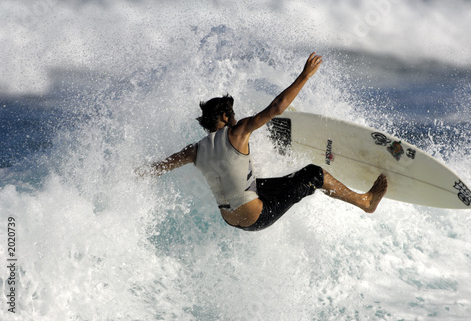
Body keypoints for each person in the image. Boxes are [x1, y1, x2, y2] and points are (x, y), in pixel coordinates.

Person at [137, 53, 388, 231]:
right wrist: (305, 75)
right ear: (225, 116)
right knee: (313, 174)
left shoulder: (195, 150)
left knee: (258, 182)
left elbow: (159, 167)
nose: (236, 117)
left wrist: (133, 175)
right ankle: (365, 202)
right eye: (232, 114)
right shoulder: (238, 132)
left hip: (230, 219)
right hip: (257, 217)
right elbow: (277, 107)